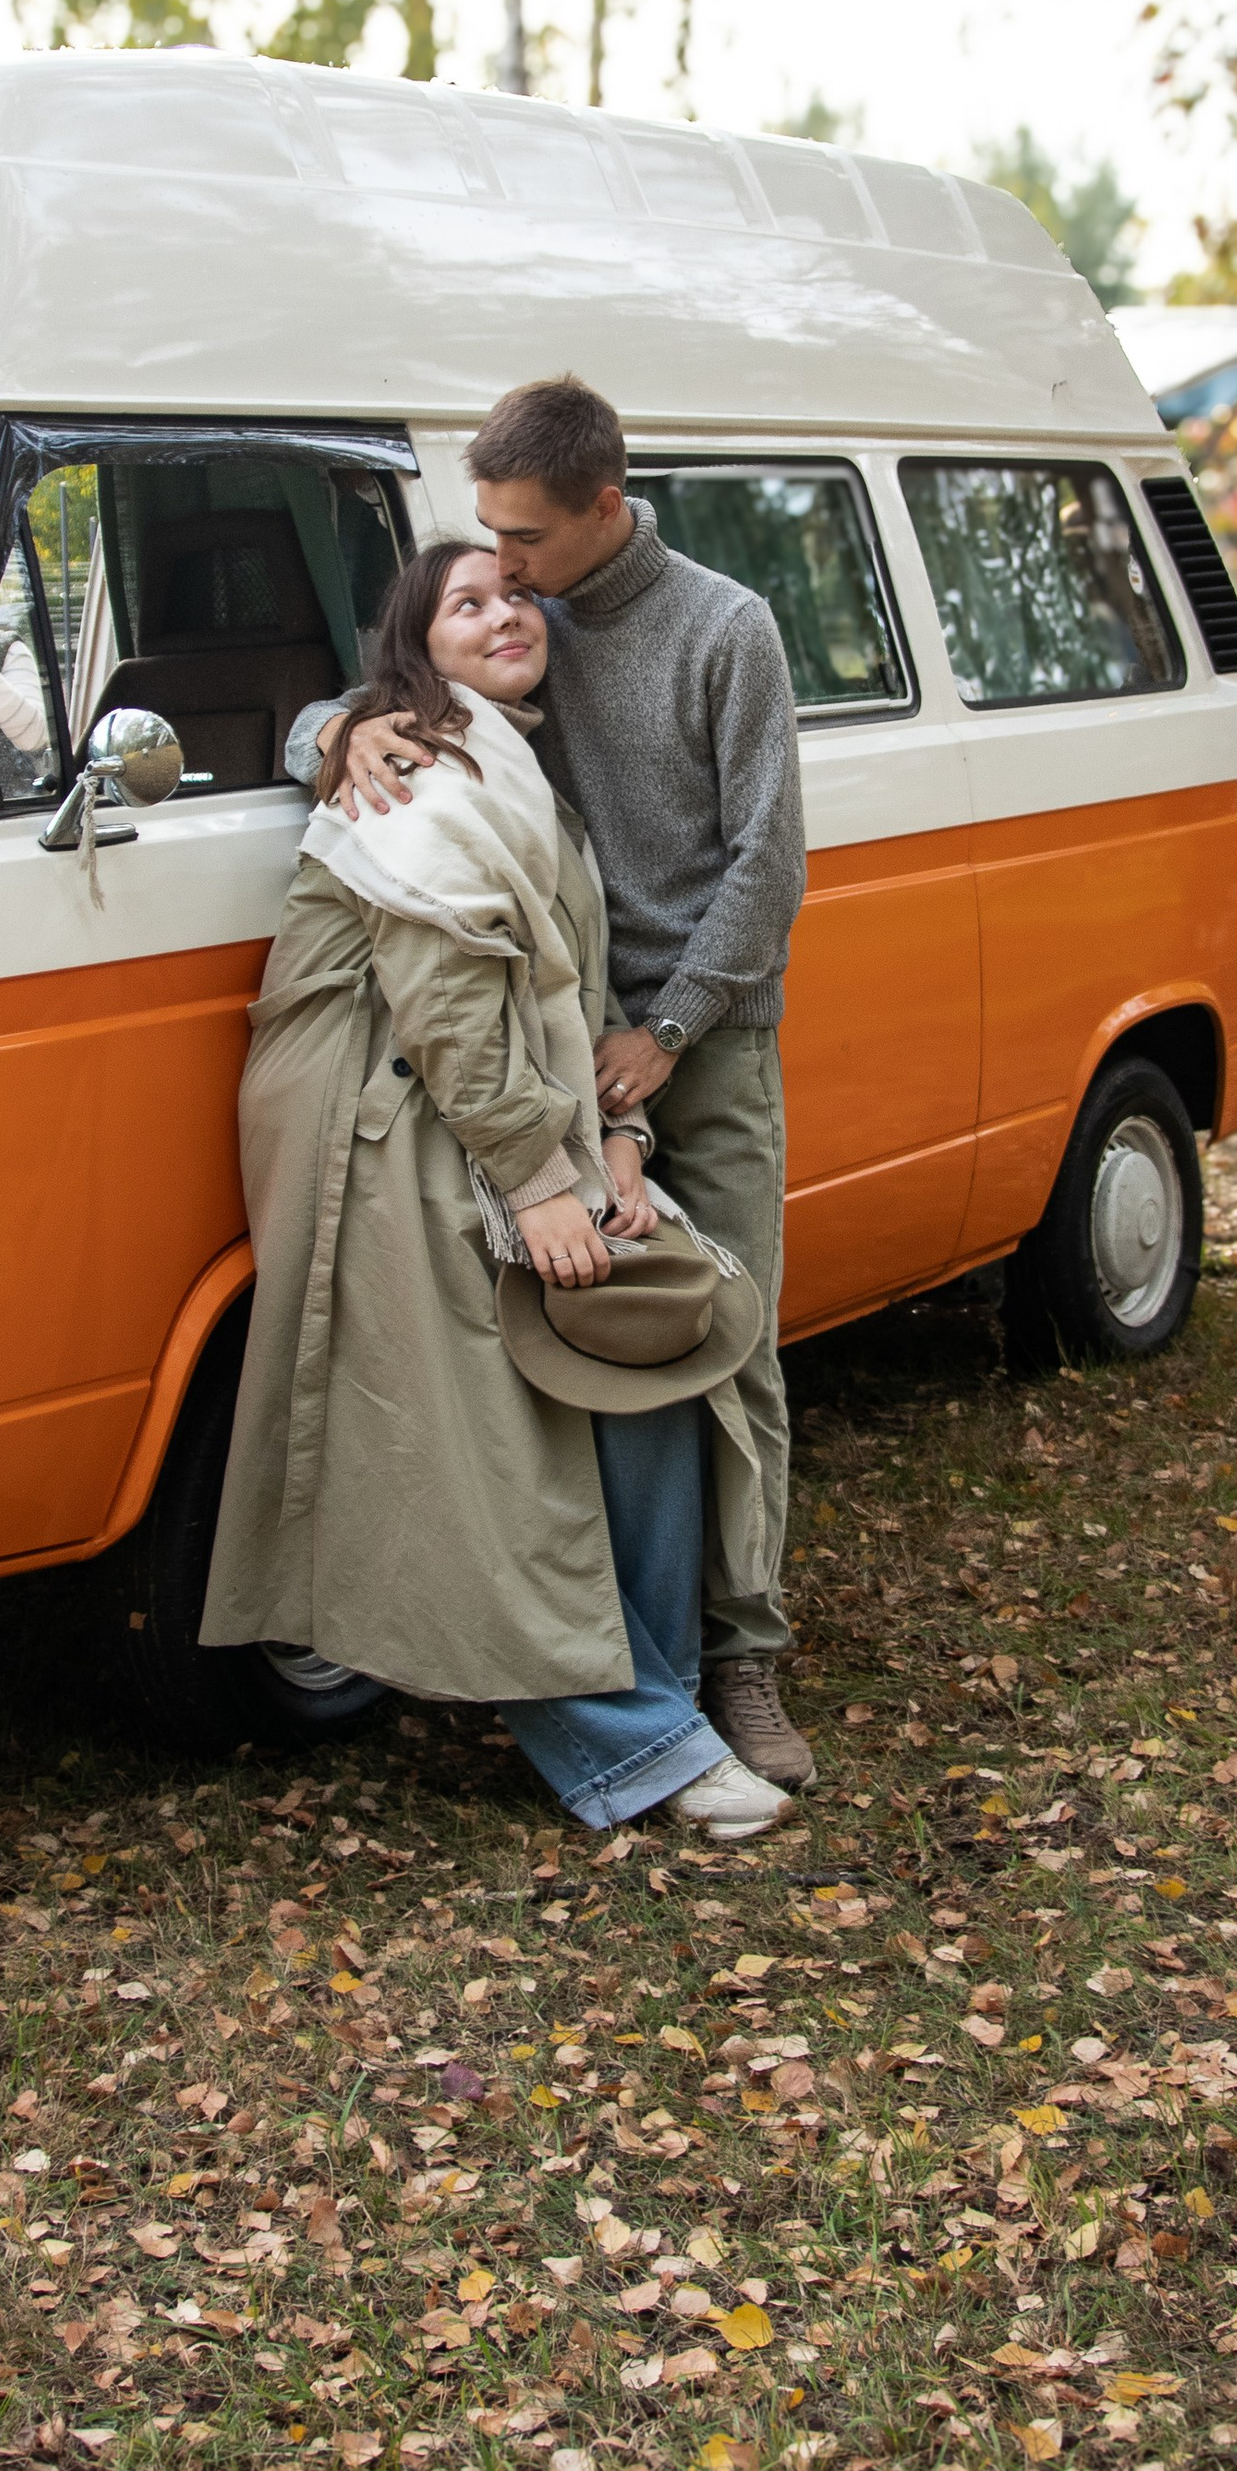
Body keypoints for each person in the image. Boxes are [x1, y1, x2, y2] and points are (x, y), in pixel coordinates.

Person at [205, 537, 795, 1846]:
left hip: (501, 1098)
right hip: (383, 1112)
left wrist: (620, 1147)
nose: (504, 611)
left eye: (517, 592)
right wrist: (540, 1184)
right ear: (419, 648)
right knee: (498, 1441)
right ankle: (634, 1745)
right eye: (466, 603)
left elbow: (569, 991)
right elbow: (444, 1003)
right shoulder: (414, 770)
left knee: (649, 1362)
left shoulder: (514, 763)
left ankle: (672, 1690)